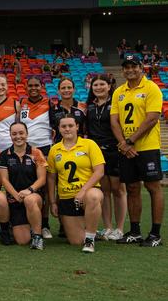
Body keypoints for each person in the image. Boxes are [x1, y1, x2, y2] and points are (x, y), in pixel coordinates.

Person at [111, 55, 164, 247]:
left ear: (141, 67)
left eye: (134, 66)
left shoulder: (151, 88)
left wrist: (130, 141)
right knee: (132, 188)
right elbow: (114, 120)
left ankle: (155, 233)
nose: (130, 70)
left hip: (147, 147)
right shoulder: (119, 91)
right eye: (126, 67)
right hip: (126, 148)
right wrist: (124, 144)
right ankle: (134, 231)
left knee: (152, 188)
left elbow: (152, 118)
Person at [47, 116, 104, 253]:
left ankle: (90, 239)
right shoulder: (54, 149)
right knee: (76, 242)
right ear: (59, 129)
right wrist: (53, 202)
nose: (67, 129)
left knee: (94, 197)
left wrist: (83, 191)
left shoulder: (89, 144)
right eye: (63, 126)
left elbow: (99, 171)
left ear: (77, 127)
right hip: (66, 198)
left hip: (87, 193)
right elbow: (51, 178)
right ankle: (92, 230)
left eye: (70, 126)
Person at [86, 74, 126, 241]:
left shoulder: (116, 104)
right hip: (97, 154)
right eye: (95, 85)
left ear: (109, 86)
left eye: (102, 84)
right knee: (105, 190)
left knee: (118, 189)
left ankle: (120, 228)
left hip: (115, 150)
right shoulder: (89, 107)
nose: (99, 87)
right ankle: (108, 227)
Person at [0, 122, 47, 249]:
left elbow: (42, 179)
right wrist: (16, 195)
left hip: (33, 196)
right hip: (15, 199)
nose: (18, 136)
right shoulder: (4, 155)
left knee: (30, 200)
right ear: (10, 135)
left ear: (27, 134)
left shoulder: (36, 153)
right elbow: (4, 180)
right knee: (22, 240)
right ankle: (19, 225)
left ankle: (37, 237)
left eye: (21, 133)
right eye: (14, 134)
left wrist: (29, 190)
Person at [19, 76, 54, 239]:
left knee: (45, 188)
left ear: (41, 87)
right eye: (30, 85)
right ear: (26, 87)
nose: (33, 88)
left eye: (36, 85)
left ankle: (45, 224)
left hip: (45, 148)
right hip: (27, 149)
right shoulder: (21, 103)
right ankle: (28, 221)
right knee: (28, 184)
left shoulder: (49, 104)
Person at [50, 77, 86, 144]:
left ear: (74, 90)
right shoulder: (52, 109)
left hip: (80, 146)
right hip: (59, 146)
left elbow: (86, 129)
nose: (66, 90)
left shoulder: (83, 107)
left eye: (69, 87)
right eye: (63, 88)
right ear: (58, 91)